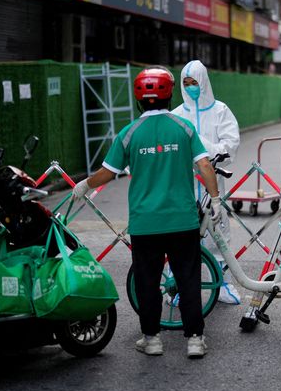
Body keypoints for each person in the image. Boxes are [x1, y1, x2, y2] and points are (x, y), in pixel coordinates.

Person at [72, 66, 220, 359]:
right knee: (188, 279)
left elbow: (106, 173)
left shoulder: (129, 134)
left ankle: (152, 340)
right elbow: (204, 165)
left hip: (145, 224)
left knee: (147, 283)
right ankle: (194, 340)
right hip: (182, 220)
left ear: (139, 99)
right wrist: (215, 199)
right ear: (169, 94)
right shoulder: (184, 128)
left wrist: (84, 185)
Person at [171, 60, 242, 305]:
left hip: (213, 184)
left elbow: (230, 147)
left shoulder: (220, 111)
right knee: (182, 236)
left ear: (204, 83)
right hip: (184, 186)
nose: (191, 88)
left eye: (195, 83)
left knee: (217, 232)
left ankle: (221, 283)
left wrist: (202, 146)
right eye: (186, 84)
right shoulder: (176, 115)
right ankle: (178, 286)